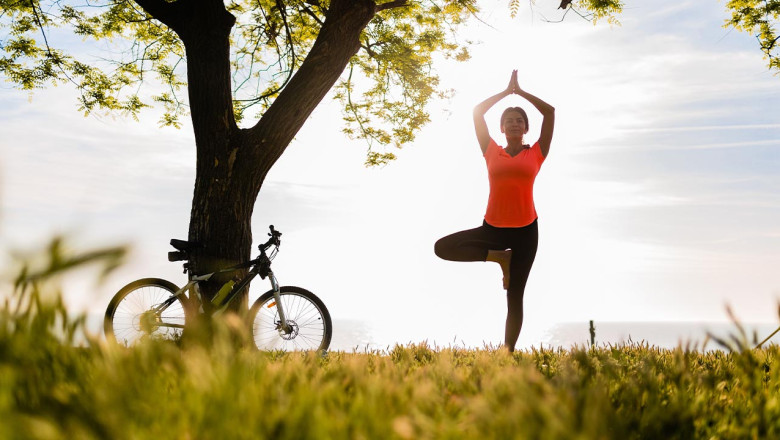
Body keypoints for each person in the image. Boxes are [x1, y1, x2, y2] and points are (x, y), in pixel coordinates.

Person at [434, 70, 554, 352]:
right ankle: (498, 258)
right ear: (501, 128)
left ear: (526, 128)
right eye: (508, 121)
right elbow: (477, 112)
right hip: (493, 229)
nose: (514, 124)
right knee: (443, 247)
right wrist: (504, 92)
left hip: (526, 231)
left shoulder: (536, 152)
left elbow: (549, 113)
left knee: (515, 297)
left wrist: (520, 92)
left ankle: (507, 353)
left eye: (519, 121)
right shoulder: (491, 150)